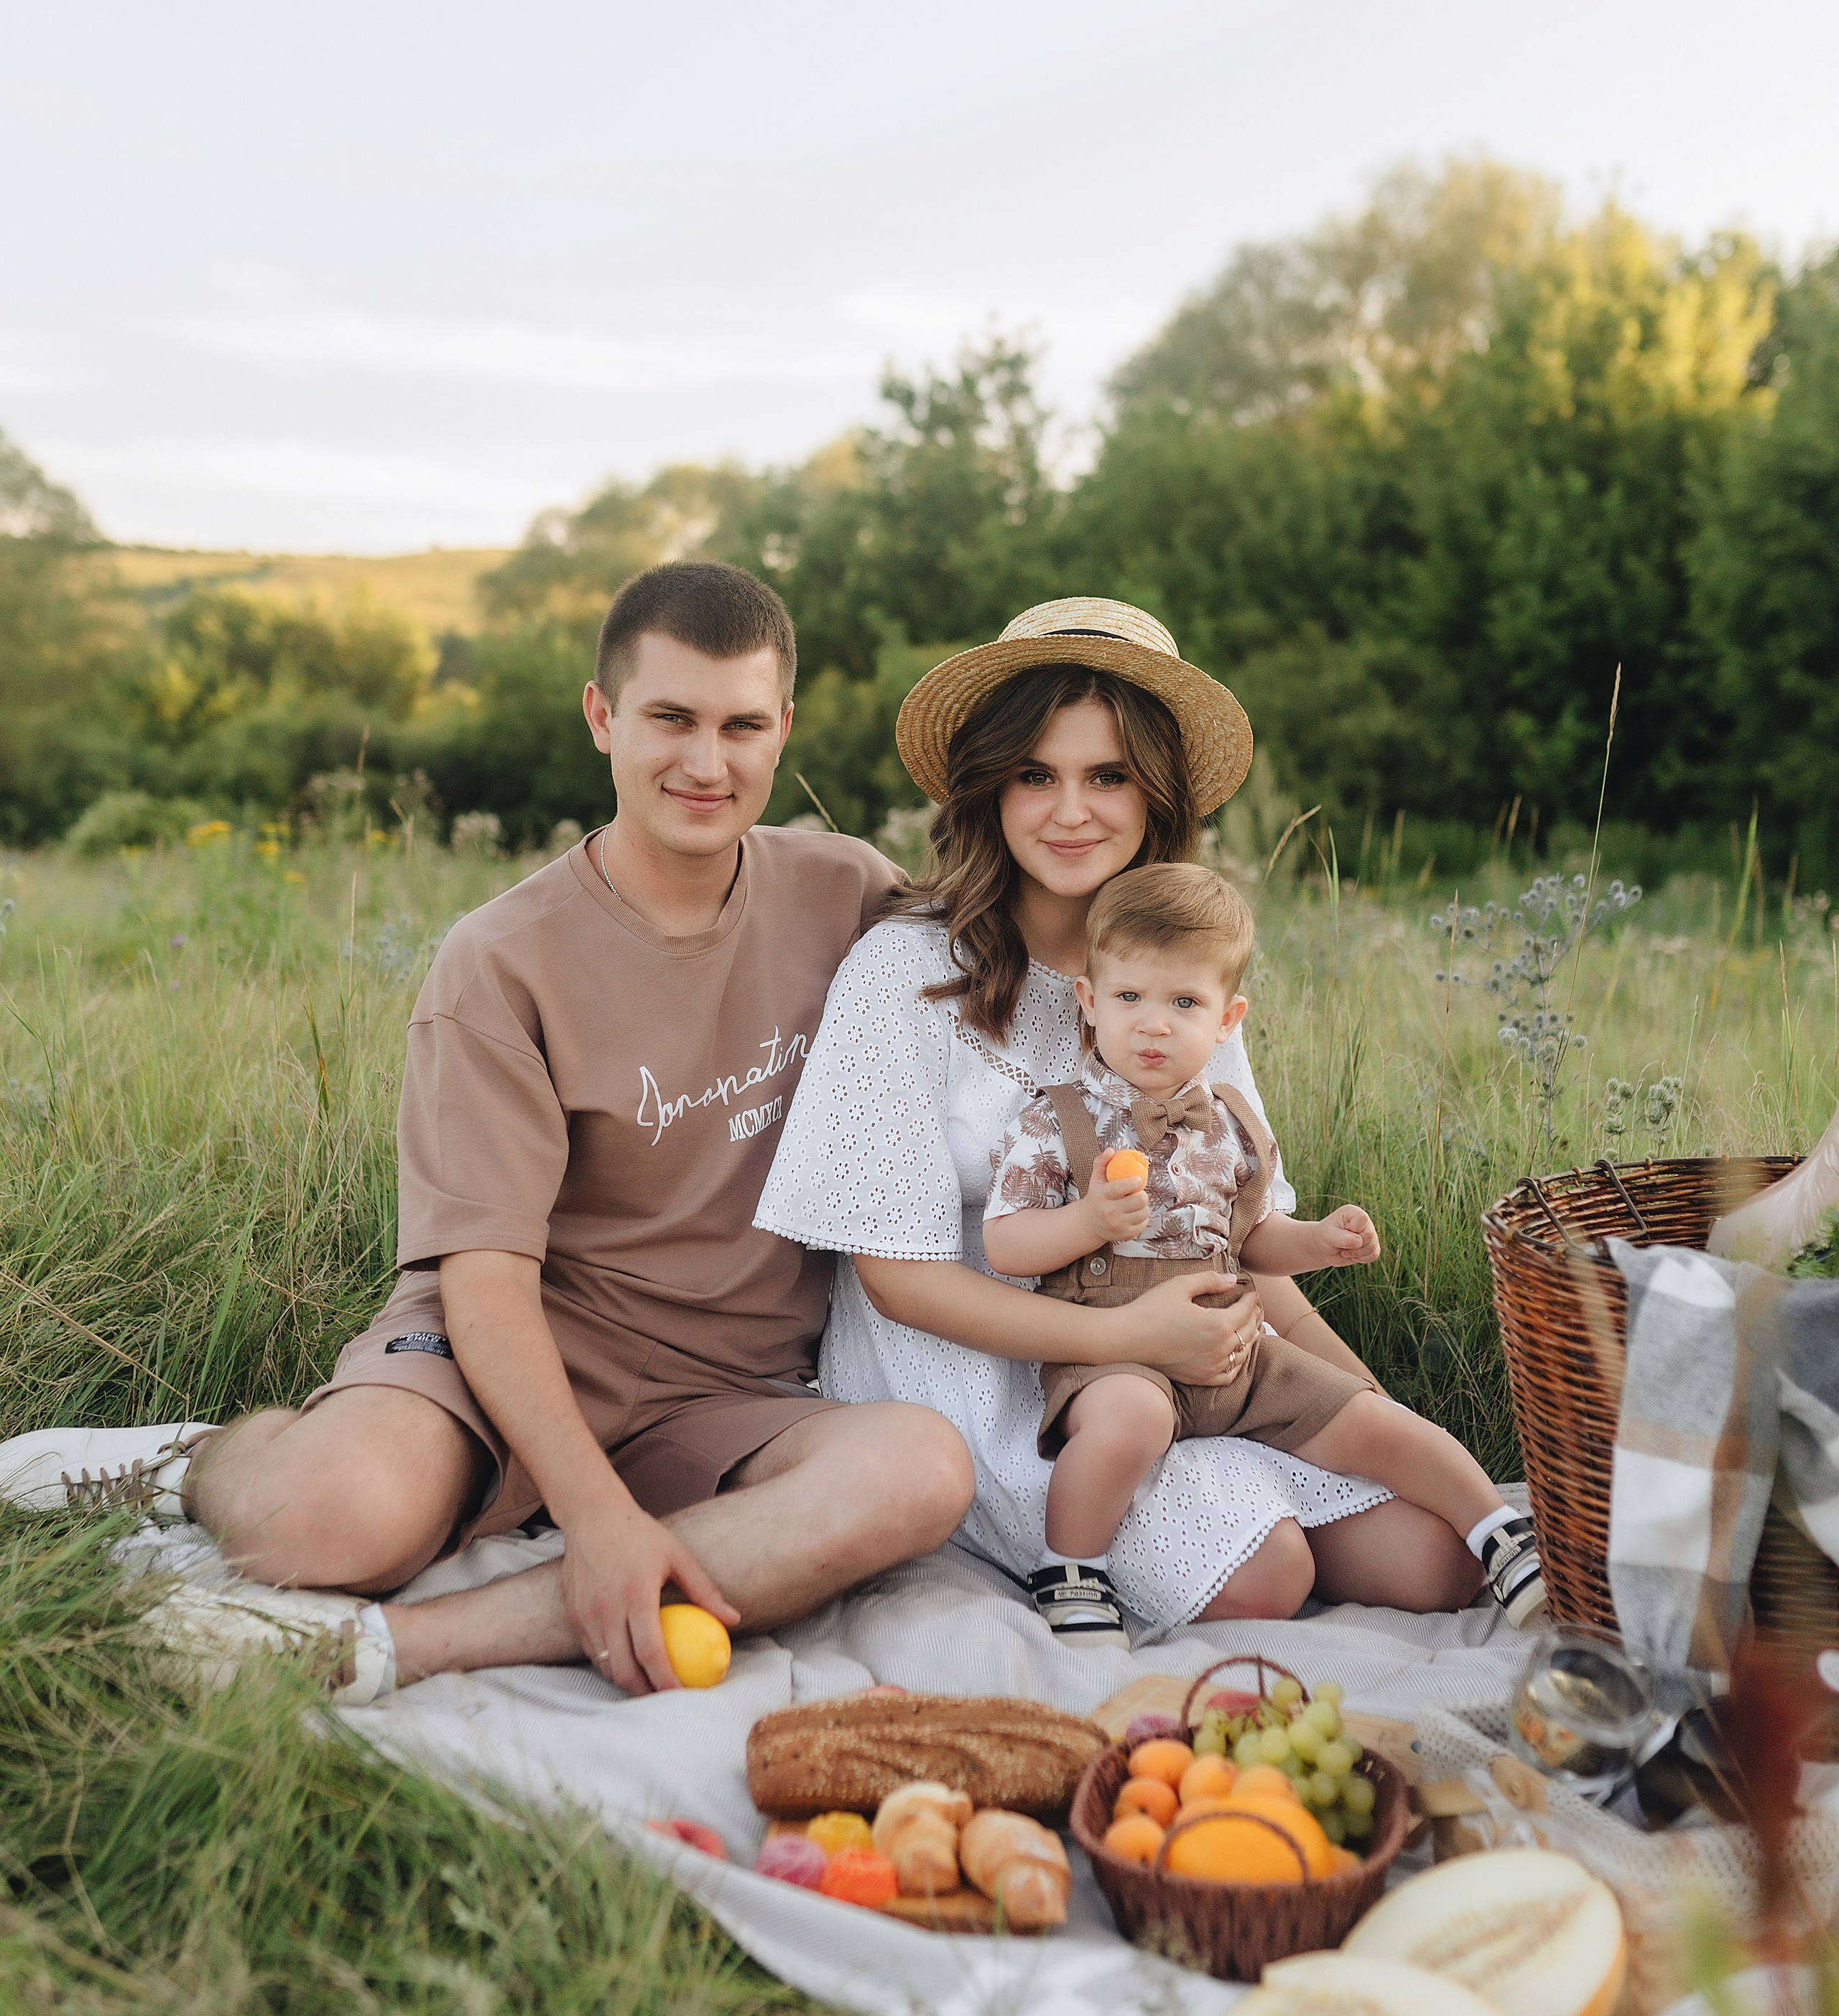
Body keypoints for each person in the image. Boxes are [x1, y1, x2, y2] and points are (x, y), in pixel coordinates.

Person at [0, 563, 976, 1695]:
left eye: (741, 726)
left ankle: (393, 1648)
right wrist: (594, 1513)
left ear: (784, 729)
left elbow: (1012, 965)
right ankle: (203, 1461)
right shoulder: (503, 959)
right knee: (322, 1521)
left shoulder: (844, 891)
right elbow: (488, 1280)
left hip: (728, 1393)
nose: (708, 763)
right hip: (503, 1348)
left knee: (919, 1469)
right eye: (671, 717)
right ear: (602, 715)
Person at [756, 596, 1492, 1647]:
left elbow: (1233, 1233)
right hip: (969, 1355)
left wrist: (1363, 1399)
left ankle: (1238, 1468)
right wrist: (1123, 1338)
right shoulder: (905, 972)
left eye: (1107, 776)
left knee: (1437, 1558)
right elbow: (896, 1279)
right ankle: (1115, 1532)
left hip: (1176, 1346)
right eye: (1035, 775)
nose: (1071, 812)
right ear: (990, 787)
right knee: (1269, 1572)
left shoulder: (1177, 972)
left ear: (1156, 792)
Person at [981, 860, 1545, 1645]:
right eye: (1129, 997)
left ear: (1227, 1019)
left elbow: (1251, 1240)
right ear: (1089, 1000)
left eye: (1184, 1003)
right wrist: (1087, 1222)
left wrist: (1317, 1242)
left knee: (1367, 1416)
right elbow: (1005, 1243)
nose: (1153, 1024)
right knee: (1127, 1423)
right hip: (1114, 1352)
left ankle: (1500, 1534)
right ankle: (1071, 1567)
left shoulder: (1231, 1124)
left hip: (1236, 1347)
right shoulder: (1057, 1120)